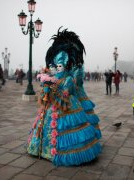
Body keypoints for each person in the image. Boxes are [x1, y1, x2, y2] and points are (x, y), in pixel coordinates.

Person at [26, 28, 101, 166]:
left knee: (66, 129)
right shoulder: (53, 76)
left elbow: (66, 93)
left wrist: (53, 88)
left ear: (65, 65)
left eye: (60, 65)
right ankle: (41, 149)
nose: (57, 68)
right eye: (55, 65)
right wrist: (46, 88)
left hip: (65, 106)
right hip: (51, 106)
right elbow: (46, 93)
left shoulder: (68, 79)